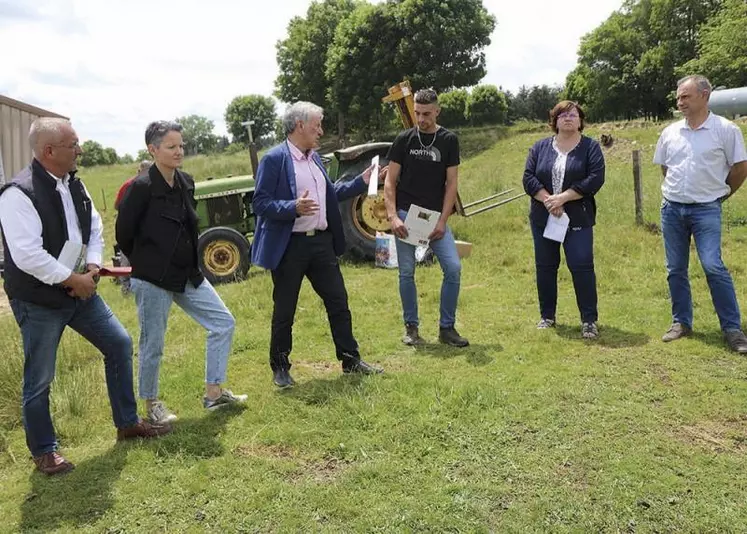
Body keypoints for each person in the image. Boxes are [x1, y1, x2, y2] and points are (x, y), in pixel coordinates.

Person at [0, 118, 171, 476]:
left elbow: (93, 226)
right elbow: (27, 255)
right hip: (39, 300)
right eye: (73, 144)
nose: (80, 150)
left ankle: (126, 424)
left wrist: (92, 265)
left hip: (81, 290)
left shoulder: (74, 184)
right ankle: (44, 451)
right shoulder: (17, 194)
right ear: (49, 151)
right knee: (40, 377)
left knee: (119, 344)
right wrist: (71, 279)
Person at [116, 121, 246, 424]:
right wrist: (148, 263)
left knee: (223, 322)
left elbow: (190, 226)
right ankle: (151, 406)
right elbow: (124, 235)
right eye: (172, 147)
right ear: (153, 149)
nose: (179, 151)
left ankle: (214, 393)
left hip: (187, 273)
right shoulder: (140, 188)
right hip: (152, 279)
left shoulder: (186, 181)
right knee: (153, 343)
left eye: (181, 146)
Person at [251, 101, 383, 388]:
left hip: (321, 244)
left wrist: (361, 182)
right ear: (300, 125)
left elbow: (330, 193)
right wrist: (292, 207)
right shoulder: (274, 159)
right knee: (285, 309)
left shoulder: (314, 159)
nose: (321, 131)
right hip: (290, 247)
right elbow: (260, 203)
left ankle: (350, 360)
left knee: (338, 301)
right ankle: (280, 367)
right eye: (317, 125)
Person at [653, 75, 747, 352]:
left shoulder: (726, 130)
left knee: (712, 265)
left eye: (686, 96)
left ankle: (732, 329)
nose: (679, 102)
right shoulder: (670, 132)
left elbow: (740, 168)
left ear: (705, 96)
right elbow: (665, 168)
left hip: (707, 208)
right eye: (679, 97)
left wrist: (721, 194)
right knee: (675, 268)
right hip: (672, 208)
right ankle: (681, 322)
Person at [383, 88, 469, 348]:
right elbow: (389, 181)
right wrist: (392, 217)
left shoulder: (448, 140)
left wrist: (443, 221)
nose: (421, 119)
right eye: (418, 113)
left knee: (453, 268)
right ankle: (411, 328)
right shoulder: (404, 140)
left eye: (427, 114)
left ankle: (447, 328)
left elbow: (451, 184)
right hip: (405, 216)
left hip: (435, 219)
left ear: (437, 111)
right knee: (407, 272)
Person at [522, 101, 605, 338]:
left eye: (573, 114)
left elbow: (595, 178)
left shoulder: (591, 147)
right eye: (562, 115)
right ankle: (547, 316)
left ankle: (589, 320)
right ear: (554, 120)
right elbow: (528, 178)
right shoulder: (539, 148)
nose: (568, 118)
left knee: (582, 266)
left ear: (580, 120)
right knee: (546, 267)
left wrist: (563, 199)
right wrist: (549, 200)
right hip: (543, 217)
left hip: (578, 217)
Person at [114, 160, 152, 295]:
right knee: (128, 253)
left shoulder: (131, 184)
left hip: (141, 225)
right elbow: (117, 205)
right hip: (134, 225)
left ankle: (132, 287)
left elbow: (117, 205)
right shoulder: (130, 185)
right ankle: (128, 287)